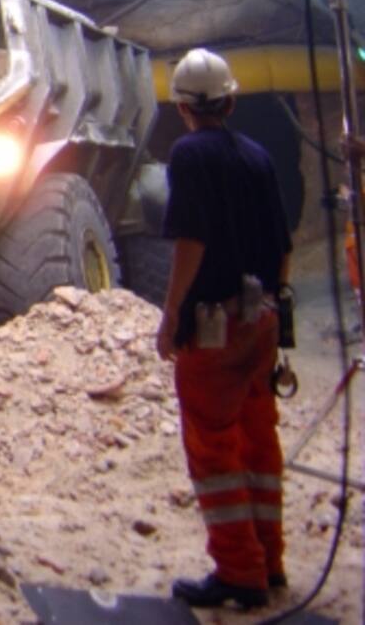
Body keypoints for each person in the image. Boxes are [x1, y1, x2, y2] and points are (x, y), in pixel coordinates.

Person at [156, 48, 293, 611]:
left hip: (212, 329)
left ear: (183, 108)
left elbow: (192, 241)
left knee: (214, 448)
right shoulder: (258, 156)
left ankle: (240, 574)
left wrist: (170, 315)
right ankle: (270, 560)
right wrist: (274, 311)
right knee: (259, 439)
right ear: (231, 100)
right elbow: (282, 247)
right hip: (259, 320)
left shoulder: (188, 155)